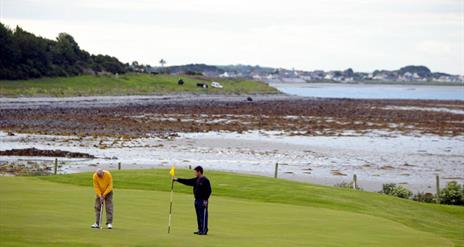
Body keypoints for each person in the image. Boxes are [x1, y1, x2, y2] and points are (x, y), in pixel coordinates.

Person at [174, 166, 212, 235]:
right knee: (198, 216)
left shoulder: (205, 180)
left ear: (199, 172)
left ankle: (204, 230)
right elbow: (187, 181)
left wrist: (205, 200)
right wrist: (177, 179)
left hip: (202, 201)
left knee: (202, 216)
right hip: (196, 200)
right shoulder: (196, 180)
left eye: (195, 172)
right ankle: (200, 229)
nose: (195, 173)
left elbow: (209, 191)